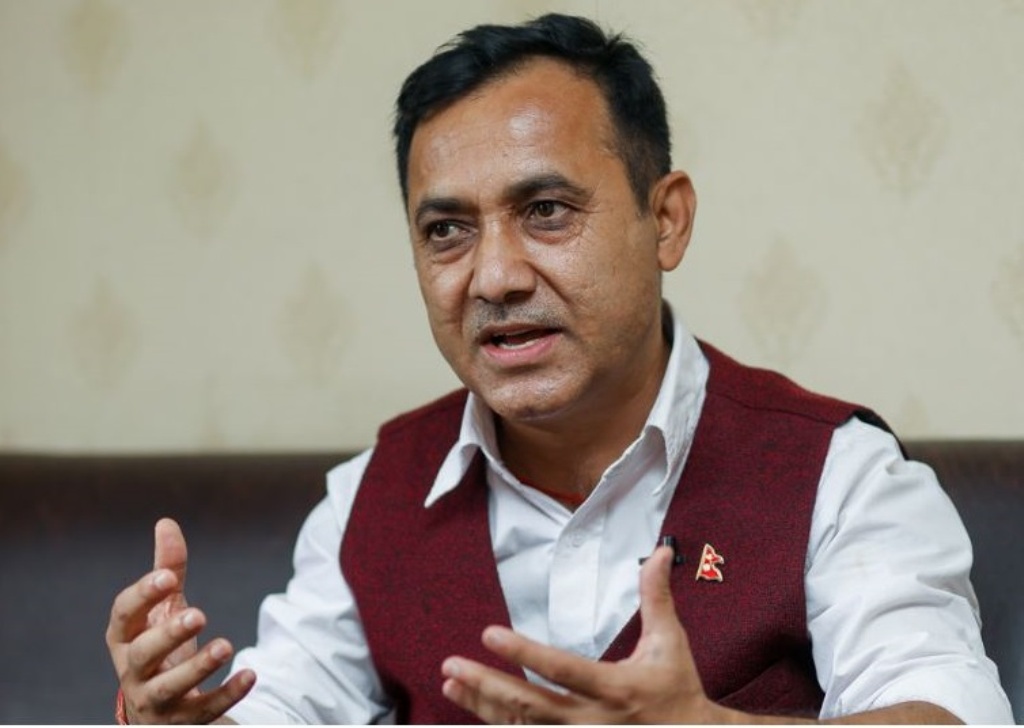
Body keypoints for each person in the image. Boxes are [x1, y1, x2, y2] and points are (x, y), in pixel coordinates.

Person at [105, 13, 1013, 725]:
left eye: (546, 211)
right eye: (447, 230)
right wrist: (170, 720)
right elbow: (282, 706)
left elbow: (950, 712)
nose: (495, 277)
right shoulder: (370, 500)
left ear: (666, 221)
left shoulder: (839, 475)